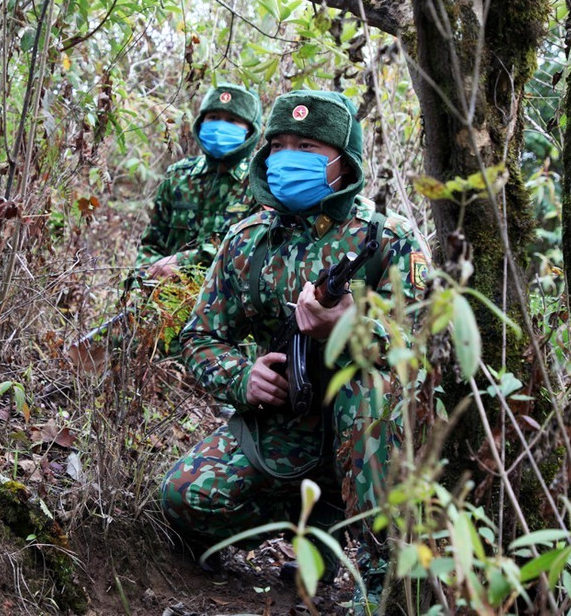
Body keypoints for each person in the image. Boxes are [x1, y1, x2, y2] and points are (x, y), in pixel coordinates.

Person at [160, 89, 428, 608]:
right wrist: (243, 377)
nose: (289, 158)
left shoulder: (388, 239)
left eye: (307, 147)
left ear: (343, 161)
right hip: (284, 425)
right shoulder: (247, 240)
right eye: (279, 145)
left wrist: (354, 326)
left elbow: (426, 346)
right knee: (185, 497)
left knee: (370, 390)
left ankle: (384, 581)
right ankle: (316, 527)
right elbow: (198, 337)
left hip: (371, 432)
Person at [134, 83, 263, 282]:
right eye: (213, 117)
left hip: (224, 295)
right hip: (164, 293)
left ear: (250, 131)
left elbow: (246, 249)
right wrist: (141, 283)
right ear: (201, 123)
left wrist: (182, 262)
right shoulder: (178, 176)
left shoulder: (259, 184)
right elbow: (151, 243)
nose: (220, 127)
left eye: (232, 120)